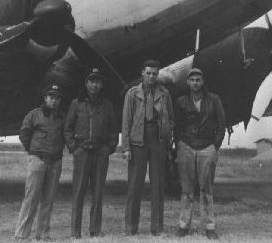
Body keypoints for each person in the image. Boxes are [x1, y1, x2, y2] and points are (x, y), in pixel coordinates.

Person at [121, 59, 174, 236]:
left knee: (158, 186)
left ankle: (157, 228)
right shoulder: (132, 94)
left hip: (157, 141)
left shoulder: (164, 94)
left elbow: (171, 118)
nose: (152, 76)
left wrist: (167, 136)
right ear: (142, 73)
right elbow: (126, 123)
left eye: (155, 73)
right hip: (138, 142)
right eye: (148, 73)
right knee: (134, 185)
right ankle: (130, 227)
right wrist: (126, 148)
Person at [65, 67, 119, 239]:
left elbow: (113, 129)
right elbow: (68, 128)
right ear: (86, 83)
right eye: (92, 81)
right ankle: (75, 231)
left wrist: (109, 147)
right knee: (78, 191)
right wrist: (74, 147)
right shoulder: (76, 104)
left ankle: (95, 230)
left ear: (102, 84)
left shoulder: (107, 105)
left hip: (100, 153)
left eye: (98, 82)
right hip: (82, 152)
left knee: (98, 192)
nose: (95, 85)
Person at [174, 68, 226, 240]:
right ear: (187, 82)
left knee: (207, 189)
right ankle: (183, 225)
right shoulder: (181, 101)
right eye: (192, 80)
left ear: (203, 82)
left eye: (198, 79)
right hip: (186, 147)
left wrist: (214, 146)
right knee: (186, 189)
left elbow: (221, 123)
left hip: (207, 148)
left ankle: (210, 226)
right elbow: (177, 126)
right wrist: (180, 145)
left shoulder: (214, 100)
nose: (195, 83)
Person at [14, 84, 65, 241]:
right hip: (38, 160)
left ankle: (43, 234)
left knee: (48, 199)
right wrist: (33, 152)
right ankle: (22, 234)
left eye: (57, 98)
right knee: (31, 198)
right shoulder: (35, 114)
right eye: (51, 97)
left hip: (55, 161)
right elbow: (24, 133)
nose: (54, 101)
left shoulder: (62, 117)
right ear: (45, 98)